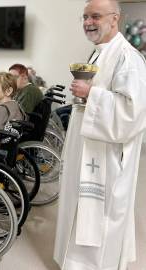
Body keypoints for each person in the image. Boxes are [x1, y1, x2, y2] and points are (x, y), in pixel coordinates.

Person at [54, 1, 146, 270]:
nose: (88, 22)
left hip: (106, 159)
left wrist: (91, 94)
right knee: (79, 207)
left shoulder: (127, 58)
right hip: (86, 149)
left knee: (99, 215)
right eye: (85, 17)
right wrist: (87, 93)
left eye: (95, 16)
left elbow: (133, 112)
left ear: (114, 18)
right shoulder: (98, 53)